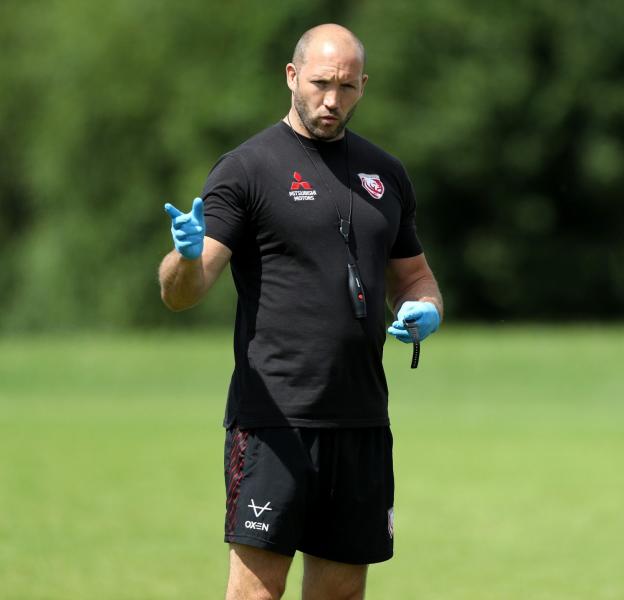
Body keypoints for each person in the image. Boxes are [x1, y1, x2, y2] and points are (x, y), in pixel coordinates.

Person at [158, 24, 442, 600]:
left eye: (346, 87)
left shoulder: (385, 173)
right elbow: (183, 291)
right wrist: (184, 259)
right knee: (256, 595)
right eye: (319, 84)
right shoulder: (247, 168)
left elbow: (415, 278)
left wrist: (423, 310)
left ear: (364, 86)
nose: (332, 101)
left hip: (361, 421)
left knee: (340, 595)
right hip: (274, 424)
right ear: (292, 77)